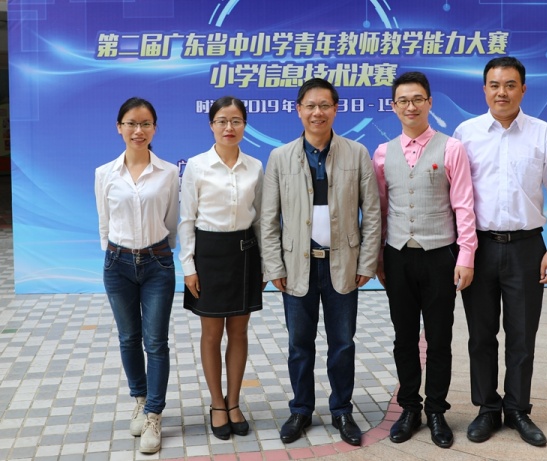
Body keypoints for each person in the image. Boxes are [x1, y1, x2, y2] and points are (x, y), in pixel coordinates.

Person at [453, 56, 547, 447]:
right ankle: (487, 409)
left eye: (510, 85)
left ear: (523, 89)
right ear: (484, 89)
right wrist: (461, 252)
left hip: (527, 248)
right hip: (480, 248)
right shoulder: (466, 133)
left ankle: (518, 409)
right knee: (481, 335)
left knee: (522, 335)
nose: (502, 92)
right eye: (494, 85)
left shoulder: (543, 133)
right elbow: (456, 196)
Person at [261, 77, 381, 447]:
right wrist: (274, 267)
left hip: (342, 264)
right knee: (299, 344)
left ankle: (342, 410)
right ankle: (301, 409)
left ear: (336, 109)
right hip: (297, 266)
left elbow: (372, 212)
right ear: (298, 110)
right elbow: (268, 219)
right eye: (310, 106)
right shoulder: (280, 157)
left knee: (342, 343)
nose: (318, 112)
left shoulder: (356, 153)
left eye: (325, 105)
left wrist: (367, 262)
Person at [372, 72, 477, 449]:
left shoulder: (452, 148)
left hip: (439, 257)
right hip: (397, 256)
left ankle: (436, 410)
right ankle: (409, 408)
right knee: (403, 337)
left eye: (417, 99)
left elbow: (464, 205)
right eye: (403, 100)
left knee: (439, 338)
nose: (411, 106)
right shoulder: (382, 153)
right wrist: (378, 258)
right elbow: (381, 209)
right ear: (393, 106)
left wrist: (466, 255)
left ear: (430, 102)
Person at [95, 97, 179, 454]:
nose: (138, 130)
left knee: (155, 342)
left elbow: (171, 221)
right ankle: (140, 401)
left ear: (154, 129)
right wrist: (115, 254)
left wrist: (159, 253)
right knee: (128, 338)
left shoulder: (169, 173)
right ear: (119, 127)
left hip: (157, 262)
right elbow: (104, 222)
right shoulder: (104, 173)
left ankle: (154, 415)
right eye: (131, 123)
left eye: (145, 124)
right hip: (117, 264)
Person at [178, 96, 264, 441]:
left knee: (239, 332)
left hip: (244, 253)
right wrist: (188, 266)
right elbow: (186, 220)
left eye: (236, 121)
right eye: (222, 121)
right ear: (211, 124)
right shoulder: (197, 166)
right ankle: (217, 404)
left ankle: (234, 402)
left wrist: (264, 265)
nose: (229, 128)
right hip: (208, 255)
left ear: (245, 125)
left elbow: (260, 219)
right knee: (212, 334)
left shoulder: (255, 166)